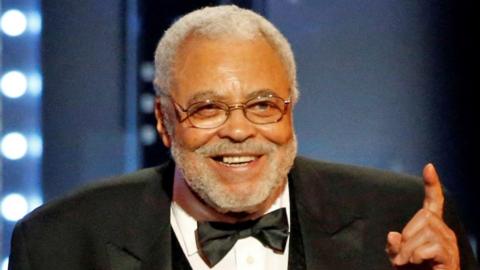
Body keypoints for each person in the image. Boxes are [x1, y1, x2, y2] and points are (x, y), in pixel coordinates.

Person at [8, 5, 477, 270]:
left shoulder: (403, 219)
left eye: (263, 105)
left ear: (291, 110)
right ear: (164, 123)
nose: (238, 130)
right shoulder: (59, 243)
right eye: (208, 108)